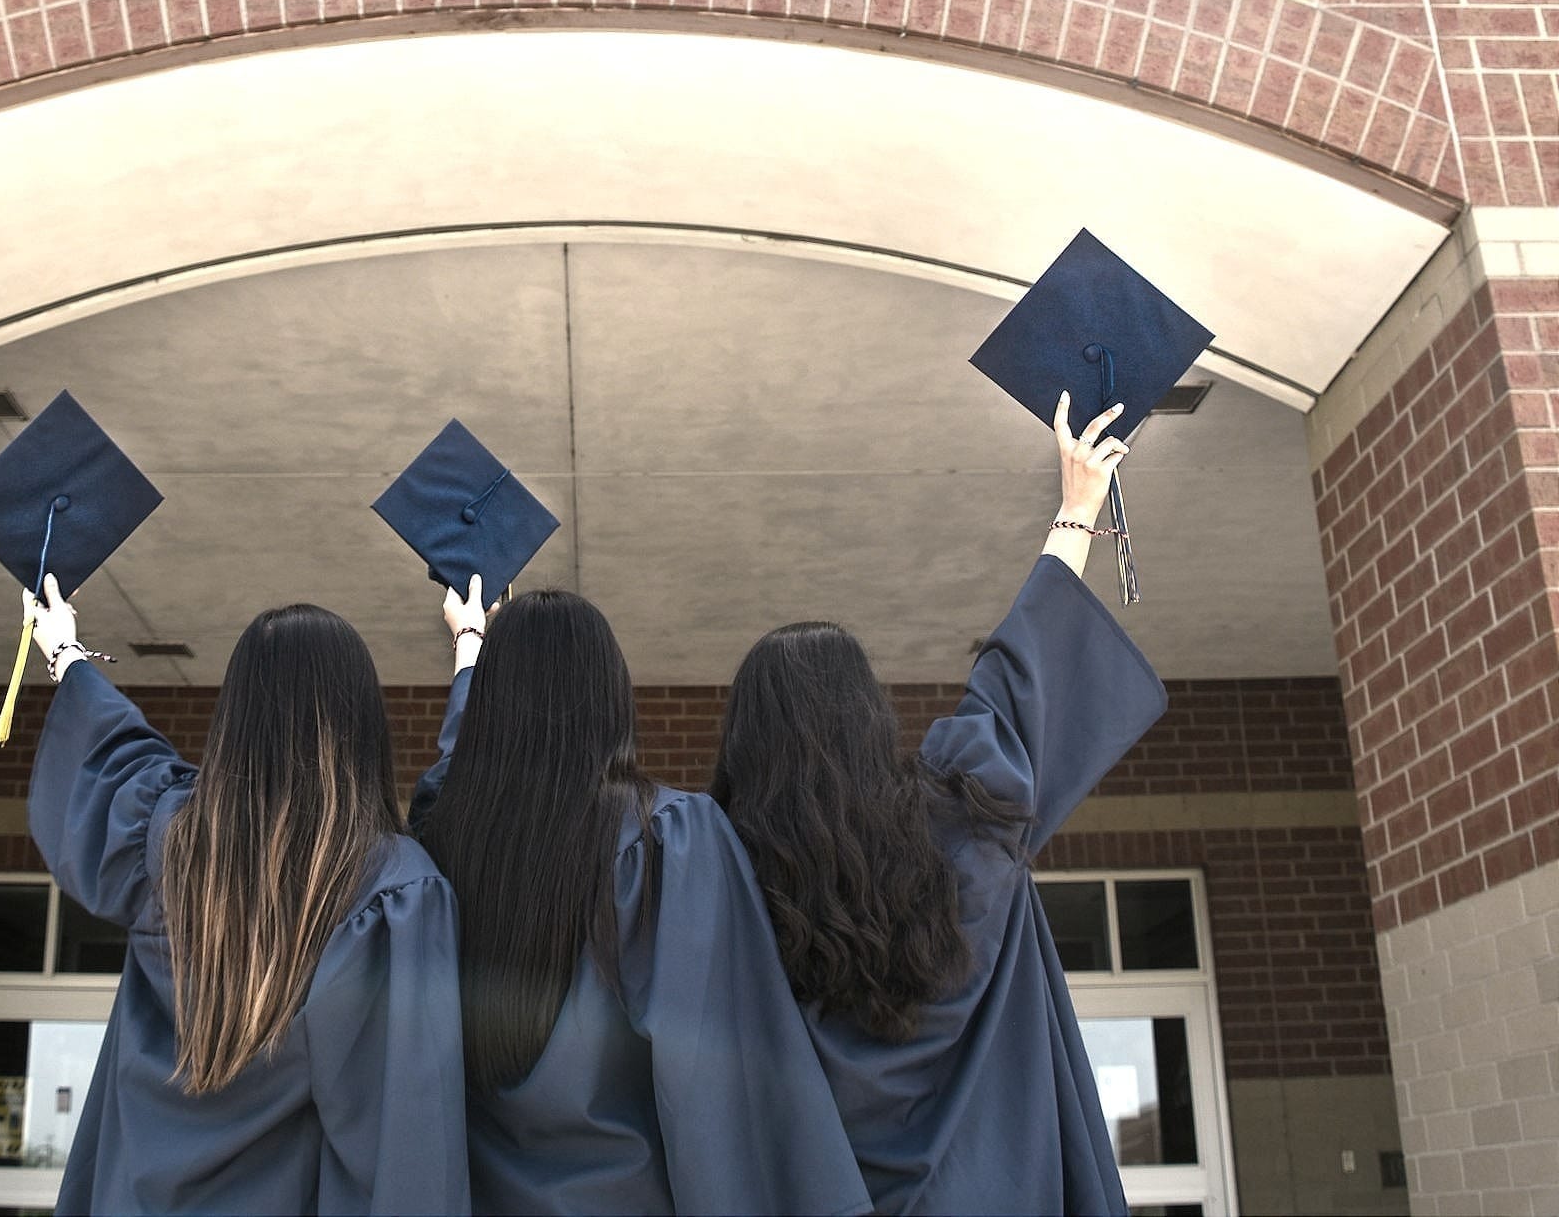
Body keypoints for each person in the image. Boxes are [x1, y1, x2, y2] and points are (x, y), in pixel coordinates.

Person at [712, 393, 1168, 1215]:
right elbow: (1019, 677)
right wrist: (1077, 507)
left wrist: (475, 655)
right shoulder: (962, 821)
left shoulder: (720, 885)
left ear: (746, 747)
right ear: (869, 719)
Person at [412, 575, 871, 1217]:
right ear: (610, 698)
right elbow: (712, 1080)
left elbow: (455, 770)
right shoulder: (667, 839)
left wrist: (470, 648)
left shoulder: (440, 845)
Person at [23, 583, 471, 1216]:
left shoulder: (166, 845)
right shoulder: (388, 889)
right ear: (363, 721)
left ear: (235, 716)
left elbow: (111, 752)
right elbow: (406, 1137)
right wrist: (469, 649)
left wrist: (63, 647)